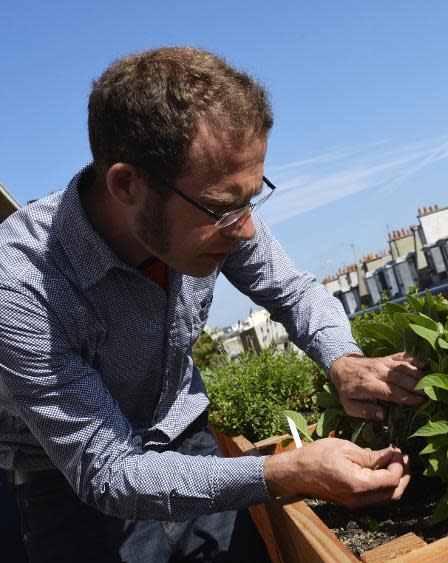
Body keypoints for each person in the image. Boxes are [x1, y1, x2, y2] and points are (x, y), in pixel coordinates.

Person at [0, 47, 426, 562]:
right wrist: (287, 471)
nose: (245, 229)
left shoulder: (210, 206)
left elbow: (292, 291)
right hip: (70, 491)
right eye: (225, 208)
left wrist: (345, 360)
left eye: (251, 199)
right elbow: (109, 472)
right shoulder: (21, 283)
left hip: (191, 441)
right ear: (127, 184)